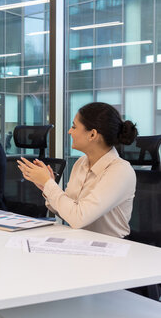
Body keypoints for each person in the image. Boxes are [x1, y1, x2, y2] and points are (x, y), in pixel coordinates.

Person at [17, 102, 138, 238]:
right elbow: (68, 211)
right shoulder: (81, 163)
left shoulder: (120, 171)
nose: (69, 131)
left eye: (74, 126)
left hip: (110, 248)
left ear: (92, 135)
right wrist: (46, 185)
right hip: (79, 242)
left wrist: (48, 184)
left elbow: (78, 218)